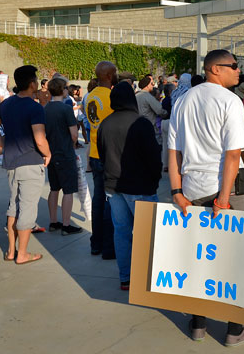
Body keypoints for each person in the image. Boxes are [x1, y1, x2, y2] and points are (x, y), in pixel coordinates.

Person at [167, 49, 244, 346]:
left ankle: (198, 323)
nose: (238, 71)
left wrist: (177, 192)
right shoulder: (230, 101)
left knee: (199, 258)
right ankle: (235, 329)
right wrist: (223, 199)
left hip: (192, 190)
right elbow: (233, 154)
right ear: (215, 69)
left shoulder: (182, 101)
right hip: (226, 189)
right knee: (236, 260)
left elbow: (174, 152)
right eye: (234, 66)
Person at [98, 81, 162, 291]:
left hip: (113, 187)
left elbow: (102, 154)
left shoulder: (105, 124)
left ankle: (126, 277)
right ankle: (148, 278)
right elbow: (153, 157)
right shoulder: (140, 123)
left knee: (122, 232)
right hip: (140, 187)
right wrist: (154, 180)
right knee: (147, 234)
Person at [0, 65, 50, 265]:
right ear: (32, 84)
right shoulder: (34, 107)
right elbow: (40, 138)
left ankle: (11, 251)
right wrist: (47, 154)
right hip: (31, 161)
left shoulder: (7, 104)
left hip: (12, 162)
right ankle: (22, 253)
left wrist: (4, 144)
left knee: (13, 206)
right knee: (28, 208)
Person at [85, 61, 117, 259]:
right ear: (109, 75)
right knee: (110, 202)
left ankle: (95, 242)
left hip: (95, 153)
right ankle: (108, 244)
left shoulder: (90, 96)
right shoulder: (111, 97)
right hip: (109, 155)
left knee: (98, 200)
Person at [44, 78, 82, 235]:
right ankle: (66, 224)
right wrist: (73, 147)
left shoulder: (44, 108)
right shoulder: (66, 109)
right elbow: (74, 135)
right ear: (63, 90)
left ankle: (53, 221)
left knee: (54, 188)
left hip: (50, 153)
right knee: (68, 190)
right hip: (65, 153)